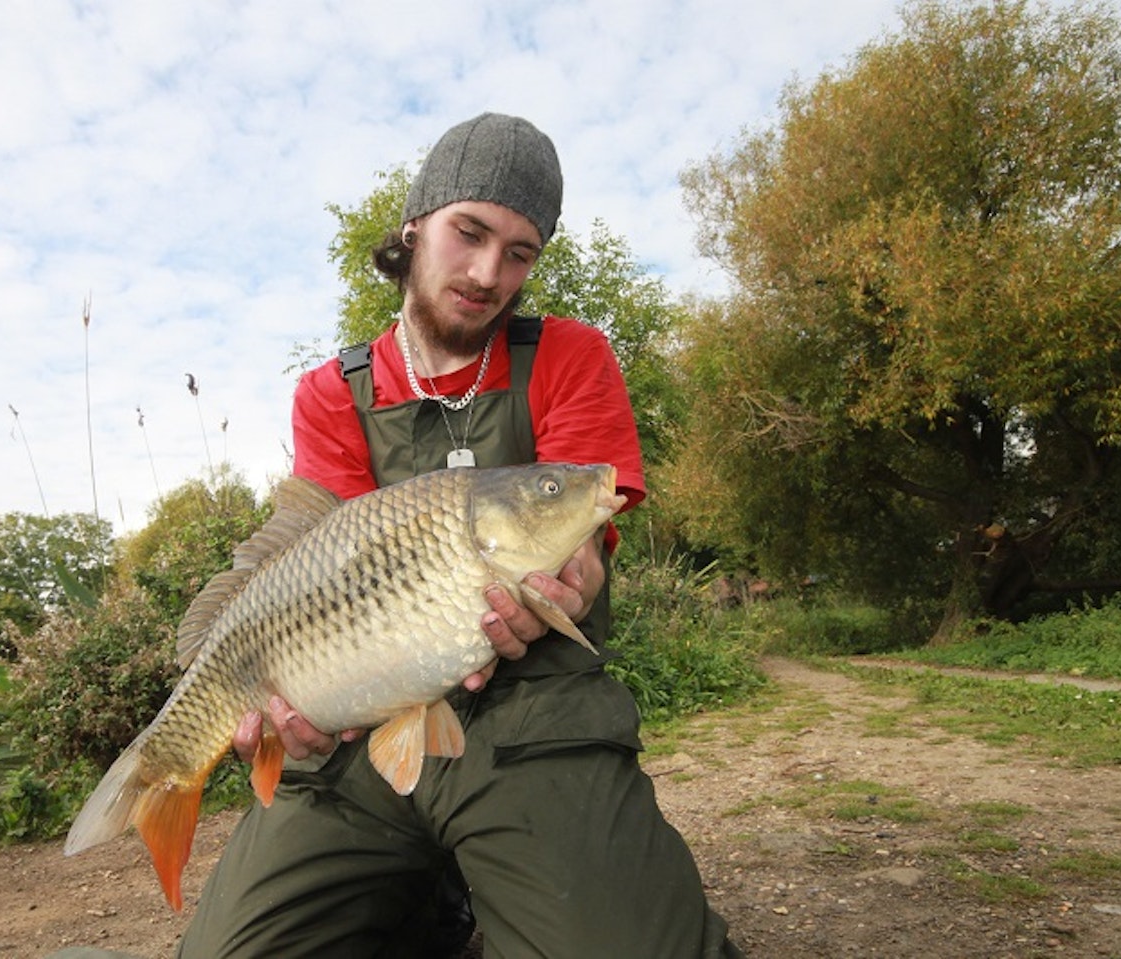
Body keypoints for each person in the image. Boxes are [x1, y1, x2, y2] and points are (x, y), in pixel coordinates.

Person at [177, 113, 742, 958]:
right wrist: (302, 710)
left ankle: (488, 876)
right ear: (413, 229)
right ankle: (428, 900)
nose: (489, 273)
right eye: (469, 233)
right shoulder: (332, 392)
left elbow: (584, 530)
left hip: (531, 712)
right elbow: (317, 577)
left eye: (520, 252)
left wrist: (570, 580)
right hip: (364, 738)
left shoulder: (571, 355)